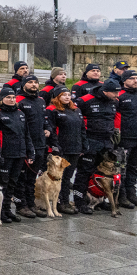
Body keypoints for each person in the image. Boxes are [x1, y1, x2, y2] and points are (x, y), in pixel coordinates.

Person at [73, 79, 121, 214]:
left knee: (103, 172)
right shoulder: (85, 100)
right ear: (105, 91)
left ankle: (100, 199)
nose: (117, 96)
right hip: (90, 140)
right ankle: (79, 201)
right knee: (84, 172)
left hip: (107, 141)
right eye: (115, 93)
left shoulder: (114, 102)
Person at [0, 86, 31, 223]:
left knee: (13, 183)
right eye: (8, 97)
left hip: (19, 153)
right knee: (3, 184)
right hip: (5, 154)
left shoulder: (20, 113)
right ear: (2, 99)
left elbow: (26, 134)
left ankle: (6, 209)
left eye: (13, 97)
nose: (11, 100)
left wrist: (30, 151)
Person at [45, 87, 85, 215]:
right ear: (57, 97)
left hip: (75, 148)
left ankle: (65, 201)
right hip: (61, 149)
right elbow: (50, 129)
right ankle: (58, 202)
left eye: (68, 95)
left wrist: (84, 145)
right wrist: (55, 145)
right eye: (64, 95)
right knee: (58, 177)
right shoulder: (52, 110)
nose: (67, 97)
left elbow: (82, 129)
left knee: (68, 177)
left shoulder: (76, 110)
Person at [14, 75, 48, 218]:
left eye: (35, 82)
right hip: (26, 145)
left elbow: (44, 118)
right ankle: (21, 205)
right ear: (23, 85)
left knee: (32, 177)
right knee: (22, 177)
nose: (33, 85)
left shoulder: (41, 100)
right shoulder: (19, 100)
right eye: (30, 82)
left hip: (40, 144)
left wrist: (47, 129)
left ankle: (31, 203)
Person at [117, 70, 137, 207]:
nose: (136, 81)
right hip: (125, 138)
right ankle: (121, 196)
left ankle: (131, 193)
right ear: (124, 80)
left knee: (133, 167)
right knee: (122, 167)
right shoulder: (119, 96)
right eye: (132, 78)